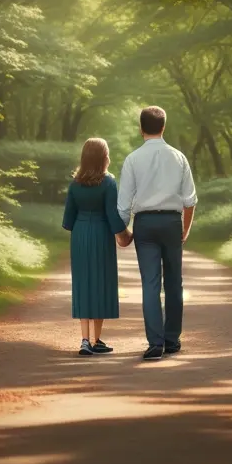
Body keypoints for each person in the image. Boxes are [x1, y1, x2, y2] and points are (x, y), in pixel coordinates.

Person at [117, 106, 198, 361]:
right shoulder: (179, 157)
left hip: (145, 225)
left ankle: (155, 344)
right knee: (174, 282)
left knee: (150, 284)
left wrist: (123, 234)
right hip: (172, 222)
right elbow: (190, 200)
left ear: (141, 128)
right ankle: (172, 340)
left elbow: (123, 206)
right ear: (164, 127)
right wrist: (185, 229)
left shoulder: (132, 159)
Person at [62, 138, 133, 356]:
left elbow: (67, 219)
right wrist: (125, 234)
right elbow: (112, 215)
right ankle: (97, 340)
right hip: (101, 233)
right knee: (101, 282)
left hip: (81, 234)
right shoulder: (109, 182)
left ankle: (84, 340)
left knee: (83, 283)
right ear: (104, 157)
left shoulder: (75, 183)